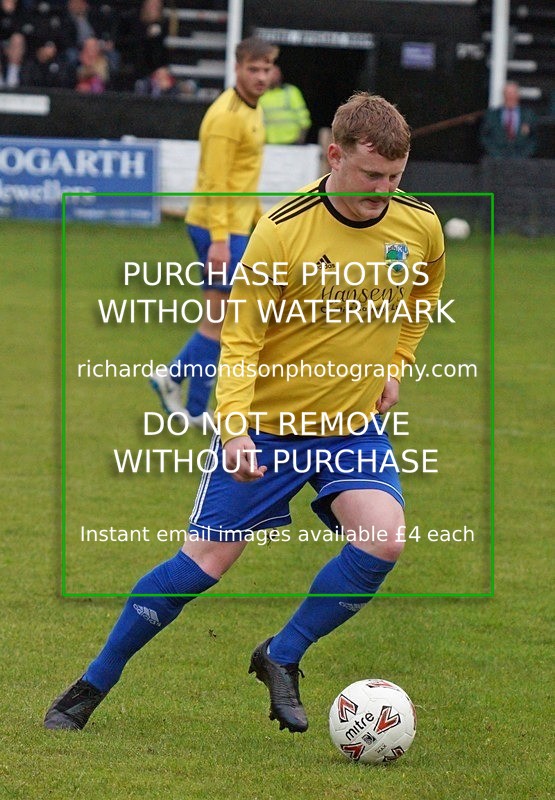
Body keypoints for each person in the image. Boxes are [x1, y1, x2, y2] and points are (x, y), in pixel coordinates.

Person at [44, 92, 445, 734]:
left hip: (350, 428)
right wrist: (232, 428)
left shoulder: (417, 223)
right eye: (372, 176)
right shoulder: (283, 230)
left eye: (396, 178)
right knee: (204, 565)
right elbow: (241, 338)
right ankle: (94, 682)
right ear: (334, 156)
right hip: (265, 427)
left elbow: (425, 285)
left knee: (384, 538)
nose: (384, 190)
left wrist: (395, 361)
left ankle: (281, 654)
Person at [149, 36, 278, 427]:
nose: (260, 76)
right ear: (236, 69)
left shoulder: (252, 109)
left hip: (232, 227)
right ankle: (181, 390)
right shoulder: (227, 117)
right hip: (215, 229)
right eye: (252, 69)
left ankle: (188, 399)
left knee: (223, 320)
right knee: (219, 321)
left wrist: (260, 222)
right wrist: (220, 240)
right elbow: (216, 181)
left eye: (266, 68)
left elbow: (242, 180)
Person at [480, 81, 537, 158]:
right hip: (496, 161)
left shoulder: (528, 115)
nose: (510, 97)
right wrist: (496, 154)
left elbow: (534, 138)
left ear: (518, 95)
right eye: (507, 93)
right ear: (503, 95)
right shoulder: (492, 115)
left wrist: (523, 155)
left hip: (522, 161)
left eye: (513, 93)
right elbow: (485, 137)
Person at [259, 64, 311, 144]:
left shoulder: (291, 92)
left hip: (292, 142)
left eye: (275, 74)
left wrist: (300, 140)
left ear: (279, 75)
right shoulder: (261, 95)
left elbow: (304, 119)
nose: (272, 77)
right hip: (269, 143)